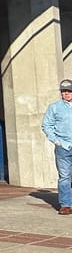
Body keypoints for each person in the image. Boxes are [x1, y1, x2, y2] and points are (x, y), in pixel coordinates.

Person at [41, 79, 72, 215]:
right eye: (63, 91)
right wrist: (56, 141)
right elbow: (46, 125)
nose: (66, 94)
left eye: (69, 91)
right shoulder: (54, 107)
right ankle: (66, 204)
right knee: (64, 176)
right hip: (63, 147)